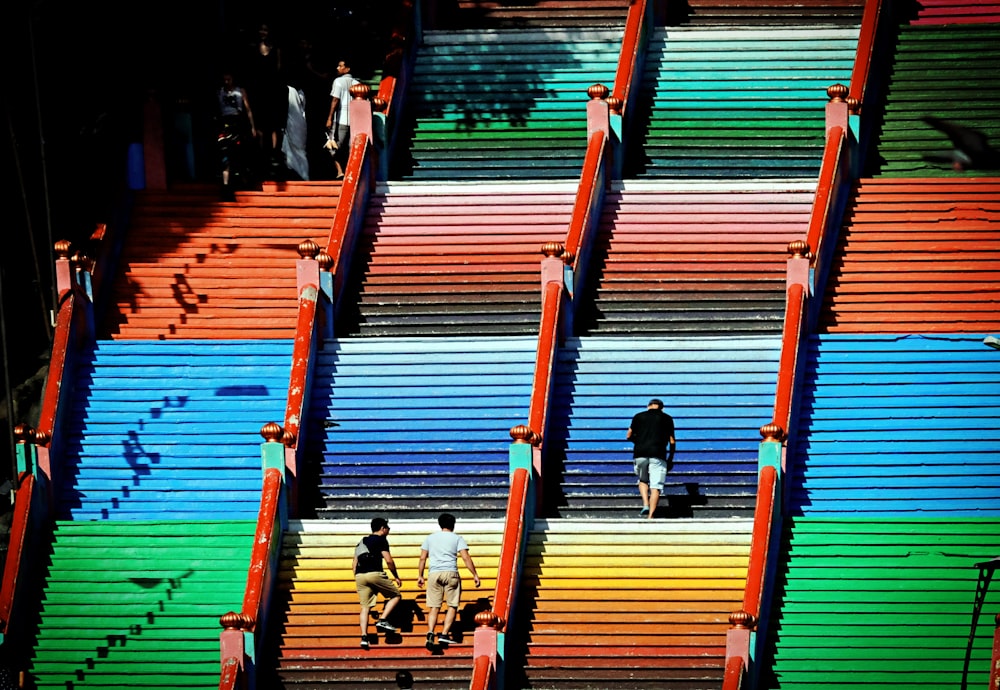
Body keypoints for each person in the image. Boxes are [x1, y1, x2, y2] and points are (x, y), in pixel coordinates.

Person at [416, 512, 481, 649]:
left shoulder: (430, 538)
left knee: (434, 607)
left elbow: (422, 558)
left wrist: (420, 575)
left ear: (440, 524)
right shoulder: (457, 538)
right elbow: (465, 558)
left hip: (434, 573)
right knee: (452, 605)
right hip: (451, 572)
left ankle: (430, 632)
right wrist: (474, 574)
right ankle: (445, 634)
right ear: (453, 524)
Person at [353, 517, 403, 649]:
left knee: (365, 607)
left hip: (359, 575)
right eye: (388, 528)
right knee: (396, 596)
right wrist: (396, 576)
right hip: (374, 573)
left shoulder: (361, 542)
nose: (389, 530)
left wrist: (357, 577)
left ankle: (364, 637)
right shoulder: (382, 540)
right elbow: (389, 560)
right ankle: (383, 619)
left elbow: (354, 563)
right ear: (382, 528)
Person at [627, 398, 676, 519]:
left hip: (640, 453)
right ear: (662, 408)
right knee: (656, 486)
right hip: (659, 454)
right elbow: (672, 441)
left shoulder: (638, 416)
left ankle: (645, 504)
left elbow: (628, 435)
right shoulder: (667, 418)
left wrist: (638, 441)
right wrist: (671, 458)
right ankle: (651, 516)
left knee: (643, 480)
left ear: (648, 406)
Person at [216, 71, 256, 199]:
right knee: (225, 155)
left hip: (237, 122)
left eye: (229, 79)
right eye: (225, 79)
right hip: (225, 122)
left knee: (240, 152)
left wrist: (252, 126)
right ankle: (226, 186)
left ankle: (244, 180)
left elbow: (248, 109)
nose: (227, 82)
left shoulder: (240, 91)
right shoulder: (220, 92)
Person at [325, 58, 359, 179]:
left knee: (333, 146)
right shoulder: (357, 83)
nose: (337, 68)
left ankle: (340, 171)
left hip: (341, 120)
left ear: (347, 69)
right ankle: (350, 172)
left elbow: (335, 100)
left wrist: (329, 118)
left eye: (340, 66)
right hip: (354, 121)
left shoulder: (338, 81)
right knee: (351, 148)